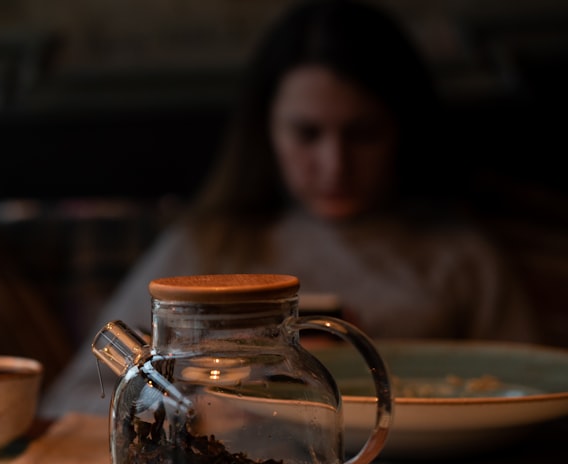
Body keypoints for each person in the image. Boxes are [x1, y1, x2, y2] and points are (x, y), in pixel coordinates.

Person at [40, 0, 540, 417]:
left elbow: (532, 393)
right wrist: (228, 393)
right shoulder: (207, 246)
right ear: (266, 134)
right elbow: (74, 398)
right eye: (307, 134)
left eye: (363, 134)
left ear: (403, 131)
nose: (334, 164)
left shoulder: (462, 255)